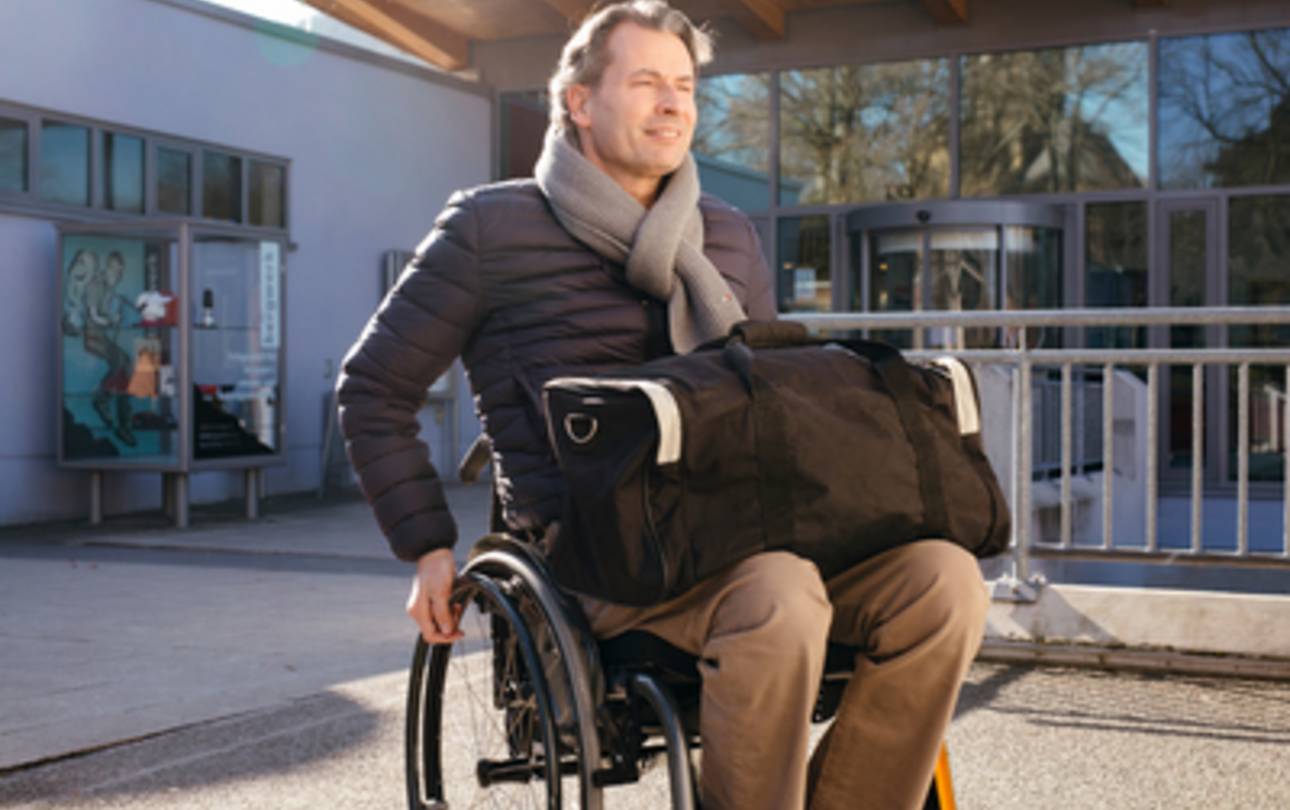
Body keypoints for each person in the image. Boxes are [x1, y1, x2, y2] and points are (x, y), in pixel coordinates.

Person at [337, 3, 988, 808]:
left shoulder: (725, 234)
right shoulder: (489, 229)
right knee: (778, 593)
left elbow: (771, 391)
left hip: (743, 528)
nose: (674, 102)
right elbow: (373, 387)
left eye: (684, 86)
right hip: (597, 555)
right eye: (646, 82)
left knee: (944, 582)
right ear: (579, 101)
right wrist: (429, 548)